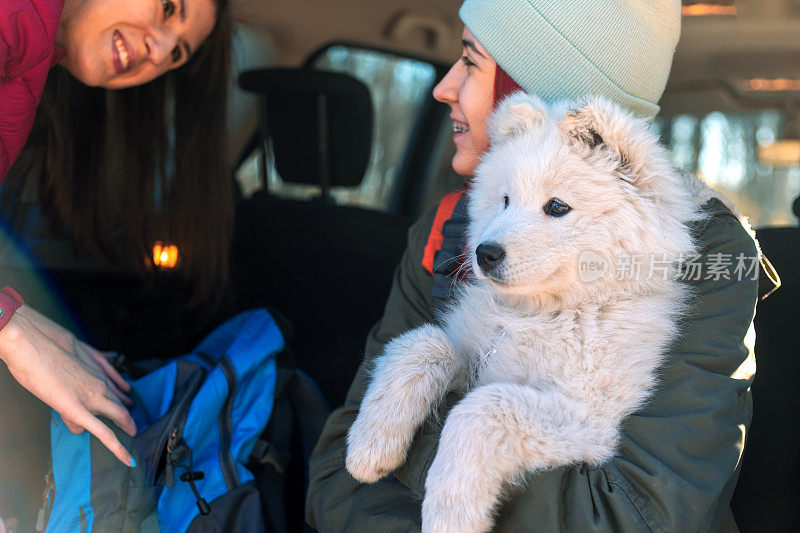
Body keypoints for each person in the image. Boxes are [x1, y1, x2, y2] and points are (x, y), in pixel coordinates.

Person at [306, 1, 758, 531]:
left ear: (531, 88)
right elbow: (343, 472)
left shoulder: (704, 260)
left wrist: (468, 441)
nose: (444, 87)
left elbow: (640, 514)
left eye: (470, 62)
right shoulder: (449, 228)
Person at [0, 0, 233, 523]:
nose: (157, 49)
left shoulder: (34, 58)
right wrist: (9, 327)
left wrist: (22, 316)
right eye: (168, 6)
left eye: (176, 54)